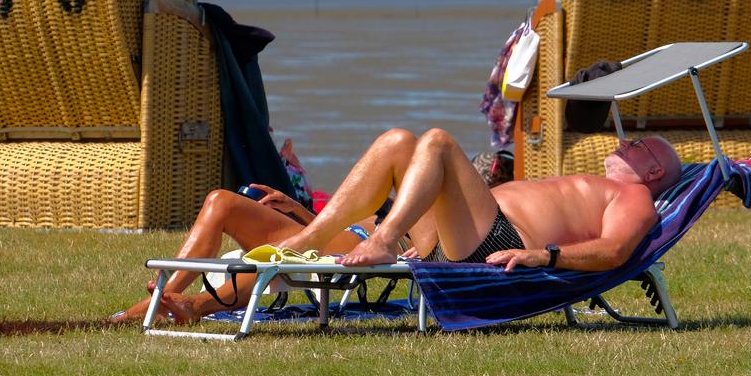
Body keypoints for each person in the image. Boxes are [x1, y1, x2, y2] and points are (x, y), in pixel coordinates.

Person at [109, 145, 508, 324]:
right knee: (219, 201)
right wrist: (297, 207)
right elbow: (331, 226)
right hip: (329, 235)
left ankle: (175, 306)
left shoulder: (443, 219)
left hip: (352, 247)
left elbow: (415, 246)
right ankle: (172, 300)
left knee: (272, 246)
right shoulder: (397, 198)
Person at [279, 127, 681, 273]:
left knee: (437, 142)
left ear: (654, 172)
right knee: (398, 142)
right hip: (458, 238)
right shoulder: (600, 186)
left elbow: (613, 251)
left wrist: (545, 256)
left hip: (500, 245)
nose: (627, 142)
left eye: (640, 145)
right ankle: (309, 238)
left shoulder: (635, 196)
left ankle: (385, 240)